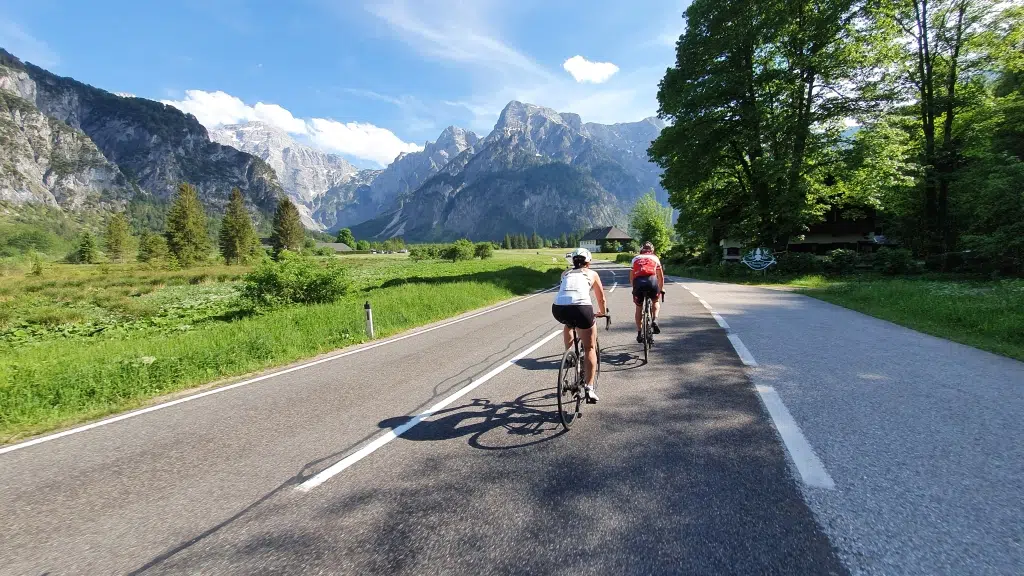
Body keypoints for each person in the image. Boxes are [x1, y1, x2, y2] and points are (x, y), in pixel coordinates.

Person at [551, 247, 607, 403]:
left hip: (558, 309)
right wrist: (602, 312)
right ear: (588, 262)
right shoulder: (592, 274)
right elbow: (601, 298)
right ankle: (589, 388)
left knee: (569, 324)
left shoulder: (565, 273)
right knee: (590, 347)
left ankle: (569, 354)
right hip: (582, 308)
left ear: (573, 261)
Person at [629, 241, 664, 343]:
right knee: (655, 301)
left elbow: (631, 277)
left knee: (638, 307)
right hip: (652, 282)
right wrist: (661, 288)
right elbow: (660, 277)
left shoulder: (635, 259)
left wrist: (634, 288)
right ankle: (655, 319)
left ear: (641, 250)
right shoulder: (655, 258)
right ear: (652, 250)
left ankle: (639, 333)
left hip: (638, 283)